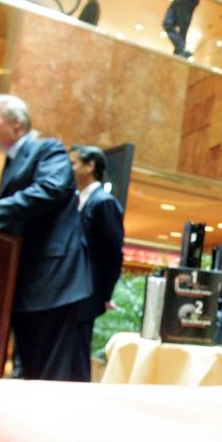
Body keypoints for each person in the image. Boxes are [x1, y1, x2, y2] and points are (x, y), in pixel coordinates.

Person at [0, 94, 94, 381]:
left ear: (17, 124)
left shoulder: (47, 150)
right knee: (34, 372)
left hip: (53, 284)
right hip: (29, 284)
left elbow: (50, 190)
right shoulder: (13, 162)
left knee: (53, 377)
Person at [69, 145, 125, 344]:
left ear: (90, 166)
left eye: (73, 163)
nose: (69, 168)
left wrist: (104, 294)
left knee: (77, 354)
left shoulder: (103, 202)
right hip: (73, 293)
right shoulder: (79, 200)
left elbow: (112, 254)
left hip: (86, 295)